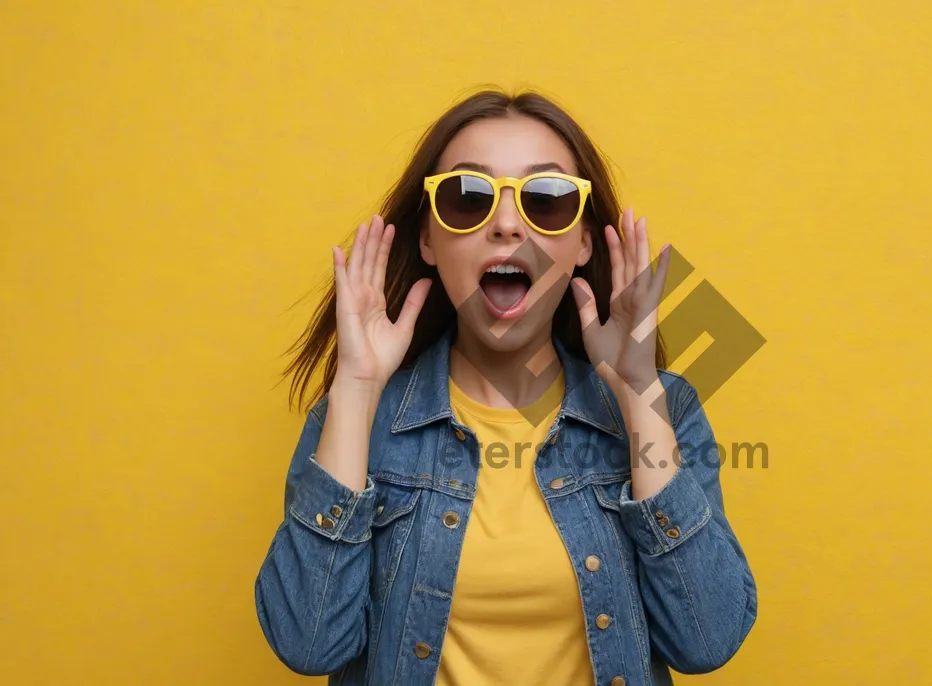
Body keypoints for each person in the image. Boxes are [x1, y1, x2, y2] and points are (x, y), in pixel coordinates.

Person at [254, 89, 757, 686]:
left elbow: (708, 639)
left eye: (546, 200)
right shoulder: (357, 417)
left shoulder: (663, 408)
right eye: (469, 198)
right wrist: (358, 389)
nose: (507, 224)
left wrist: (636, 393)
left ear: (582, 244)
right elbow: (307, 645)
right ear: (428, 242)